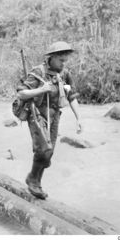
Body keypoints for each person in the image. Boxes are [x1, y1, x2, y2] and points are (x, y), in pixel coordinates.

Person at [17, 41, 82, 200]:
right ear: (51, 58)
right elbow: (21, 94)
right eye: (61, 60)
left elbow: (71, 97)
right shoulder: (38, 72)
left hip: (54, 116)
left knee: (49, 152)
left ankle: (35, 180)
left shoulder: (65, 74)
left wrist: (79, 118)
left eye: (65, 60)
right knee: (44, 150)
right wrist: (41, 89)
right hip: (37, 115)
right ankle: (34, 180)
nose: (63, 63)